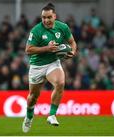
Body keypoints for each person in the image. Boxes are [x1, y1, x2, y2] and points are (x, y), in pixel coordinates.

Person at [22, 3, 77, 133]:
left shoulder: (63, 27)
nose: (46, 20)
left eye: (49, 17)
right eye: (43, 17)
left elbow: (72, 42)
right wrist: (47, 48)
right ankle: (29, 116)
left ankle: (52, 115)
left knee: (60, 82)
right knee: (33, 97)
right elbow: (28, 50)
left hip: (53, 63)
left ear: (54, 16)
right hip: (37, 65)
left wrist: (73, 52)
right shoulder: (36, 30)